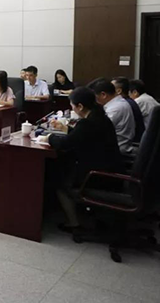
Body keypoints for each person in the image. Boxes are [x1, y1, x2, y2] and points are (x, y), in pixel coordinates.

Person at [47, 87, 122, 232]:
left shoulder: (88, 123)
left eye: (72, 106)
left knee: (59, 181)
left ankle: (73, 223)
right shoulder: (100, 118)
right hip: (111, 169)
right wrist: (66, 129)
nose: (72, 109)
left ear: (80, 106)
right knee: (63, 167)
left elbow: (65, 144)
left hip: (98, 176)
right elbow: (81, 136)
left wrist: (49, 137)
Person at [89, 78, 135, 155]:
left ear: (103, 95)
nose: (95, 101)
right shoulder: (118, 103)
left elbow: (97, 131)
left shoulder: (116, 108)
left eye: (95, 97)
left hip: (117, 150)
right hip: (115, 145)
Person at [111, 76, 145, 143]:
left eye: (111, 88)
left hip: (132, 143)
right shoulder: (129, 102)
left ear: (119, 91)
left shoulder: (122, 105)